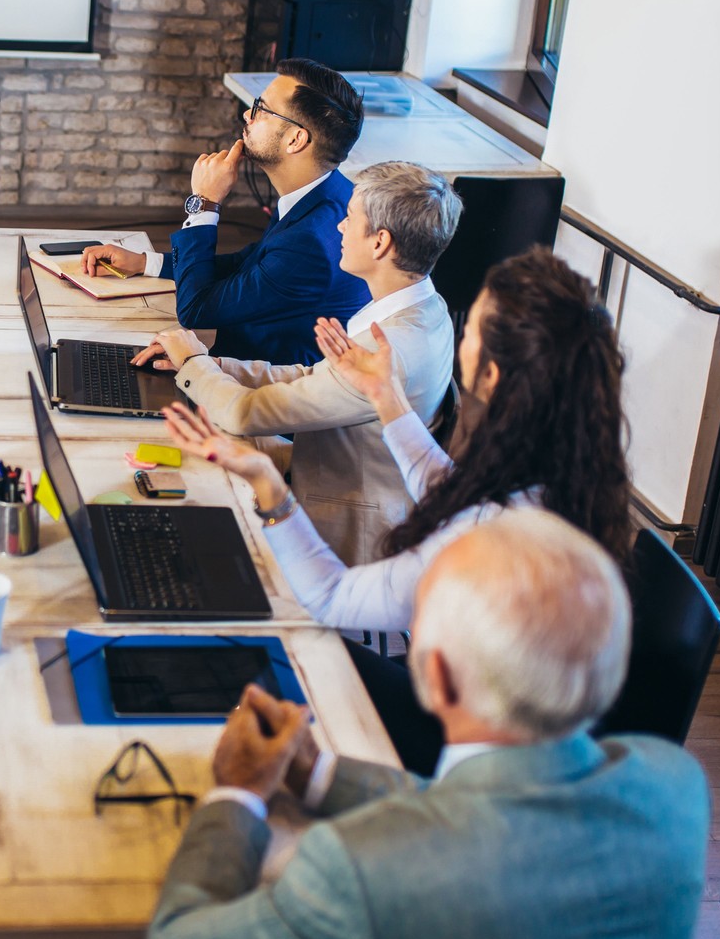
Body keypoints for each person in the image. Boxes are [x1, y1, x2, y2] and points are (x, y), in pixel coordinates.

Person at [143, 510, 710, 939]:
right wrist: (319, 772)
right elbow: (485, 808)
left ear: (436, 677)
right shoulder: (674, 786)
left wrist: (238, 791)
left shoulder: (359, 870)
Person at [162, 246, 631, 771]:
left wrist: (270, 489)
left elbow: (332, 597)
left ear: (493, 376)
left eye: (470, 328)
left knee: (248, 650)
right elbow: (447, 486)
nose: (461, 338)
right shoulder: (561, 477)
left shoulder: (487, 539)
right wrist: (386, 397)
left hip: (456, 741)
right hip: (519, 719)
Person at [141, 162, 460, 562]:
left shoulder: (391, 349)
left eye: (348, 218)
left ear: (380, 243)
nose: (339, 228)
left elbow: (245, 413)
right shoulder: (425, 308)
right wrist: (214, 364)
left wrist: (192, 364)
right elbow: (313, 377)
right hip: (325, 466)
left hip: (339, 523)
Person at [85, 59, 370, 366]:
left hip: (263, 387)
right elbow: (249, 267)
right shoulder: (328, 191)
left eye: (262, 108)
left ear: (295, 139)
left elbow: (196, 309)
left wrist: (205, 202)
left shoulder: (312, 240)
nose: (247, 114)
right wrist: (145, 263)